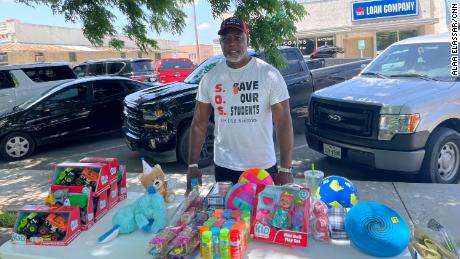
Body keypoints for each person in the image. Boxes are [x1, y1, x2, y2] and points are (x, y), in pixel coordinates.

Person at [186, 16, 294, 192]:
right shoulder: (210, 78)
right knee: (228, 218)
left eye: (237, 37)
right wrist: (192, 165)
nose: (232, 44)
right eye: (226, 39)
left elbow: (283, 122)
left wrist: (285, 168)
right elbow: (199, 123)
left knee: (262, 217)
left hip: (262, 168)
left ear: (247, 38)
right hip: (225, 167)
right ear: (220, 43)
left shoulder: (268, 74)